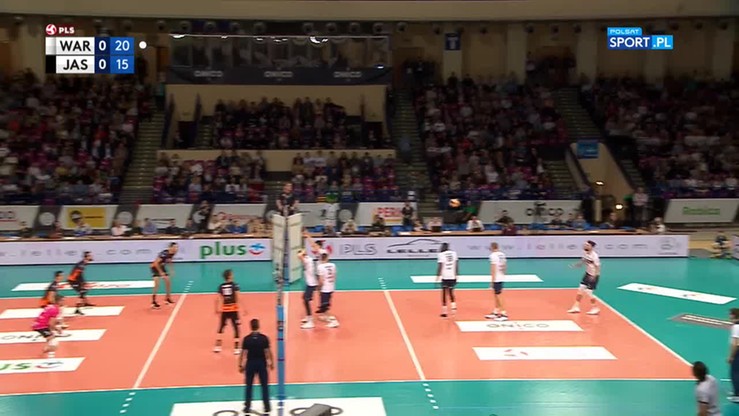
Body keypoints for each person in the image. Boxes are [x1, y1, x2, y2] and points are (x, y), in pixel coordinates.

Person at [239, 319, 274, 415]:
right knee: (264, 385)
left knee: (249, 385)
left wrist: (241, 365)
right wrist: (271, 363)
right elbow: (268, 352)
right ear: (258, 326)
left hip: (250, 363)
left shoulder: (246, 339)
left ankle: (247, 407)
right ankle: (267, 406)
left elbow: (243, 353)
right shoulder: (264, 338)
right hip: (261, 363)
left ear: (251, 326)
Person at [567, 240, 601, 315]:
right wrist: (575, 265)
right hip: (587, 274)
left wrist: (594, 277)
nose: (585, 246)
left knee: (589, 292)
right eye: (585, 245)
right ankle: (576, 307)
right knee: (580, 290)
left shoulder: (594, 256)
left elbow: (598, 268)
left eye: (587, 245)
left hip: (593, 276)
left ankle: (595, 308)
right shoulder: (585, 253)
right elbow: (582, 262)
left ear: (591, 247)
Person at [214, 269, 243, 355]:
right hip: (233, 309)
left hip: (225, 309)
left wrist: (216, 309)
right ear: (230, 276)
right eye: (232, 274)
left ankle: (217, 346)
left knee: (221, 327)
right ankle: (236, 348)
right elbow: (238, 297)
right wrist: (243, 308)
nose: (233, 275)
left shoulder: (221, 286)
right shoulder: (235, 285)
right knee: (236, 328)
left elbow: (217, 299)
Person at [32, 294, 64, 358]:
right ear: (59, 301)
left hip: (39, 324)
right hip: (41, 326)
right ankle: (41, 355)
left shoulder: (50, 306)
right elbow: (51, 323)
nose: (63, 302)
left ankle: (45, 354)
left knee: (50, 340)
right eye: (62, 300)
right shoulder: (55, 309)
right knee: (54, 343)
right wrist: (57, 329)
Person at [150, 242, 178, 309]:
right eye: (174, 247)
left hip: (162, 266)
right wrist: (161, 272)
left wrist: (171, 269)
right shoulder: (164, 254)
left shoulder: (172, 253)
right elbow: (156, 263)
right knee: (157, 285)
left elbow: (170, 260)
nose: (176, 248)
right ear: (170, 247)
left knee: (168, 281)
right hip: (155, 267)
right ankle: (153, 302)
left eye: (177, 247)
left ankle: (167, 298)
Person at [316, 252, 340, 328]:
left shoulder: (320, 267)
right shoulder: (333, 265)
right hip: (331, 287)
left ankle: (333, 322)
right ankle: (325, 315)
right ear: (327, 258)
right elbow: (335, 276)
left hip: (325, 288)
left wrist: (319, 288)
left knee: (324, 304)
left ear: (321, 259)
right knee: (326, 303)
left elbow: (321, 280)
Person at [485, 242, 508, 321]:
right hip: (501, 276)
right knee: (496, 294)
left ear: (492, 247)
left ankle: (504, 313)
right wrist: (503, 274)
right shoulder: (502, 254)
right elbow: (505, 266)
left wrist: (492, 280)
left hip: (497, 278)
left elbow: (493, 268)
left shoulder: (493, 255)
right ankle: (496, 311)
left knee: (499, 295)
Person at [67, 251, 94, 315]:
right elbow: (78, 275)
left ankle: (85, 303)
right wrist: (83, 283)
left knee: (84, 290)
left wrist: (84, 283)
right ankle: (77, 309)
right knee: (82, 291)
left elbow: (80, 274)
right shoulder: (81, 265)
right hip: (73, 280)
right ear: (87, 257)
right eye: (90, 256)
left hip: (76, 279)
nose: (92, 256)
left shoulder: (84, 263)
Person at [436, 242, 459, 317]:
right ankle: (453, 308)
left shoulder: (441, 255)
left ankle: (444, 312)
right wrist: (456, 275)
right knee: (451, 292)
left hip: (445, 276)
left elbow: (440, 266)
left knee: (444, 293)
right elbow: (456, 265)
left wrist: (437, 276)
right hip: (452, 276)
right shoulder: (454, 253)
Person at [297, 249, 318, 329]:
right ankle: (308, 317)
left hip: (311, 284)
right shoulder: (308, 258)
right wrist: (303, 252)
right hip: (310, 283)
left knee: (306, 300)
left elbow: (299, 256)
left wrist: (302, 252)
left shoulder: (307, 260)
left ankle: (310, 321)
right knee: (305, 299)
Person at [728, 308, 739, 403]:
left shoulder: (736, 327)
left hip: (738, 353)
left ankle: (737, 395)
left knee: (735, 373)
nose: (729, 316)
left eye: (730, 314)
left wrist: (731, 356)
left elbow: (735, 343)